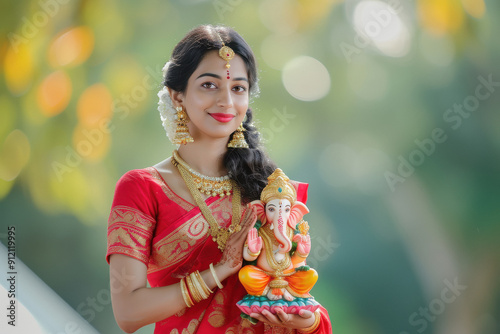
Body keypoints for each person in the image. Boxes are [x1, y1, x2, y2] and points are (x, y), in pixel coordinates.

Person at [106, 24, 332, 334]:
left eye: (238, 88)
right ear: (177, 96)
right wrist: (222, 270)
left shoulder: (272, 190)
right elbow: (128, 313)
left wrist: (307, 320)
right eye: (209, 85)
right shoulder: (142, 188)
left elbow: (295, 292)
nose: (227, 101)